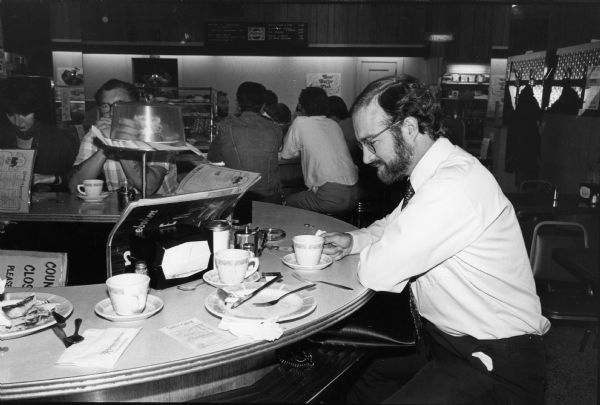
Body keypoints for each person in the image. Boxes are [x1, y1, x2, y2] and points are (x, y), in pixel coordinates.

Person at [322, 75, 550, 404]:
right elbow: (393, 225)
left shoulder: (453, 185)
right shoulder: (433, 176)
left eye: (371, 142)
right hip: (443, 342)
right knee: (359, 372)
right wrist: (352, 241)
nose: (367, 158)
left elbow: (378, 271)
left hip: (494, 361)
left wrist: (367, 253)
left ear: (410, 127)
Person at [69, 79, 178, 196]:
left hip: (159, 209)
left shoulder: (158, 134)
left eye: (120, 105)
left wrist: (120, 143)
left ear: (137, 106)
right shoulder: (95, 135)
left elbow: (149, 187)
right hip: (119, 209)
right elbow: (75, 186)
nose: (112, 112)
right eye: (105, 106)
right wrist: (106, 144)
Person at [280, 86, 359, 215]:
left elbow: (287, 154)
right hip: (355, 192)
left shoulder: (300, 122)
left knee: (286, 201)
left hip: (330, 196)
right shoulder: (333, 124)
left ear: (302, 105)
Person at [208, 81, 283, 204]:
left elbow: (213, 158)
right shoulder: (276, 129)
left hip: (239, 198)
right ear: (263, 105)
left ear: (238, 102)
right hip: (271, 198)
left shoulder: (227, 125)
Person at [0, 78, 79, 191]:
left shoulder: (62, 140)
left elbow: (82, 179)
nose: (18, 122)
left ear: (37, 111)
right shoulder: (3, 138)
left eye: (25, 114)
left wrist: (54, 179)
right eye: (11, 115)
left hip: (54, 207)